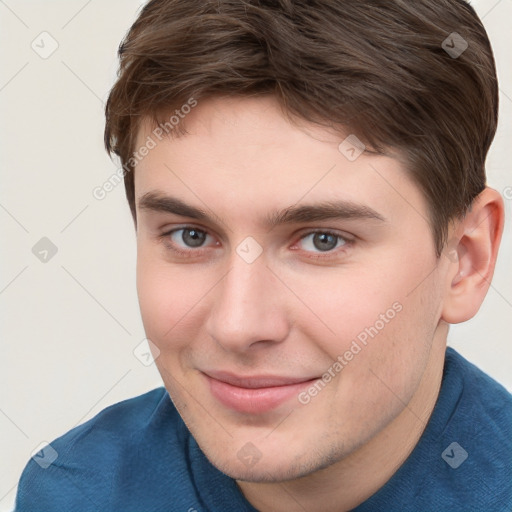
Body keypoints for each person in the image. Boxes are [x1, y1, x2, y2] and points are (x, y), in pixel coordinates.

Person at [15, 0, 512, 510]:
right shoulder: (74, 492)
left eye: (323, 240)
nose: (237, 325)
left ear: (465, 260)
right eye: (190, 235)